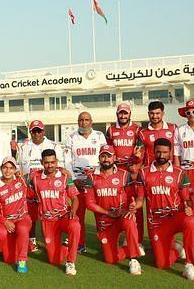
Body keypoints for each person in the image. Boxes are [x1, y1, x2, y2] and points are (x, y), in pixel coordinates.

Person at [134, 138, 194, 282]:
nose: (161, 155)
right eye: (158, 152)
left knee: (190, 221)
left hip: (175, 218)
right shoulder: (143, 172)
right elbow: (140, 200)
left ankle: (190, 264)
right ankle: (177, 249)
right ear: (153, 152)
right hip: (156, 223)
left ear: (170, 152)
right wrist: (135, 206)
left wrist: (189, 208)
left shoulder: (179, 173)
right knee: (161, 264)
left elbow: (186, 198)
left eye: (165, 152)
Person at [82, 144, 142, 275]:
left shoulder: (124, 175)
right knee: (110, 259)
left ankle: (134, 259)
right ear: (99, 158)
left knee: (130, 221)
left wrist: (132, 208)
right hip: (105, 223)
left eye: (109, 156)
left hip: (122, 217)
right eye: (103, 156)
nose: (106, 159)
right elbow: (89, 204)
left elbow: (133, 197)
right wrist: (110, 213)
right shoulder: (91, 177)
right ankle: (130, 248)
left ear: (114, 158)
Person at [28, 149, 80, 276]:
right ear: (41, 162)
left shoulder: (65, 177)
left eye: (52, 162)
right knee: (53, 260)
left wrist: (73, 211)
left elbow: (75, 198)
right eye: (46, 163)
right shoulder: (35, 178)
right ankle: (66, 245)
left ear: (56, 162)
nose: (50, 165)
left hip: (64, 216)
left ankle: (70, 262)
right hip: (47, 221)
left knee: (75, 226)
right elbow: (25, 189)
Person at [17, 120, 67, 252]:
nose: (36, 133)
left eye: (39, 130)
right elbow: (20, 166)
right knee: (31, 213)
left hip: (49, 183)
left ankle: (60, 238)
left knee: (53, 210)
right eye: (34, 131)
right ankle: (31, 240)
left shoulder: (54, 145)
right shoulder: (23, 147)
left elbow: (61, 164)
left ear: (43, 131)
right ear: (30, 132)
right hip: (31, 185)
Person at [64, 111, 107, 254]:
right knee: (78, 214)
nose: (84, 122)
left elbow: (105, 157)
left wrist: (99, 177)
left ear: (91, 122)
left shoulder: (99, 136)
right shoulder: (71, 137)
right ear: (78, 122)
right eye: (81, 120)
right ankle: (80, 244)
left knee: (100, 214)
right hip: (79, 181)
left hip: (96, 181)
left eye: (86, 120)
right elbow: (67, 160)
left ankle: (105, 241)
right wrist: (73, 179)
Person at [105, 103, 145, 253]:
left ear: (130, 114)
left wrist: (137, 166)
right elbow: (108, 150)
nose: (123, 116)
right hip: (117, 171)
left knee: (135, 206)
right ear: (117, 114)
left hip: (132, 171)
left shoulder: (137, 129)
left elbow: (141, 151)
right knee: (117, 203)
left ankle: (138, 240)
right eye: (120, 113)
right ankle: (120, 235)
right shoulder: (110, 130)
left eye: (125, 113)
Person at [0, 157, 32, 273]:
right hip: (8, 224)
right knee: (9, 259)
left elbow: (39, 172)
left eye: (11, 168)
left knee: (22, 229)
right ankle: (24, 246)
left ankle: (22, 261)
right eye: (5, 168)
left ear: (15, 169)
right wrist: (5, 222)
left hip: (23, 218)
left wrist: (62, 171)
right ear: (1, 169)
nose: (8, 171)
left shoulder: (21, 180)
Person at [138, 101, 180, 167]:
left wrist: (177, 167)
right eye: (152, 113)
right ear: (148, 114)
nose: (154, 116)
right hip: (150, 170)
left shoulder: (173, 128)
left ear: (163, 114)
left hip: (170, 169)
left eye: (157, 113)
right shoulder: (142, 133)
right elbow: (140, 155)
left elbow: (178, 150)